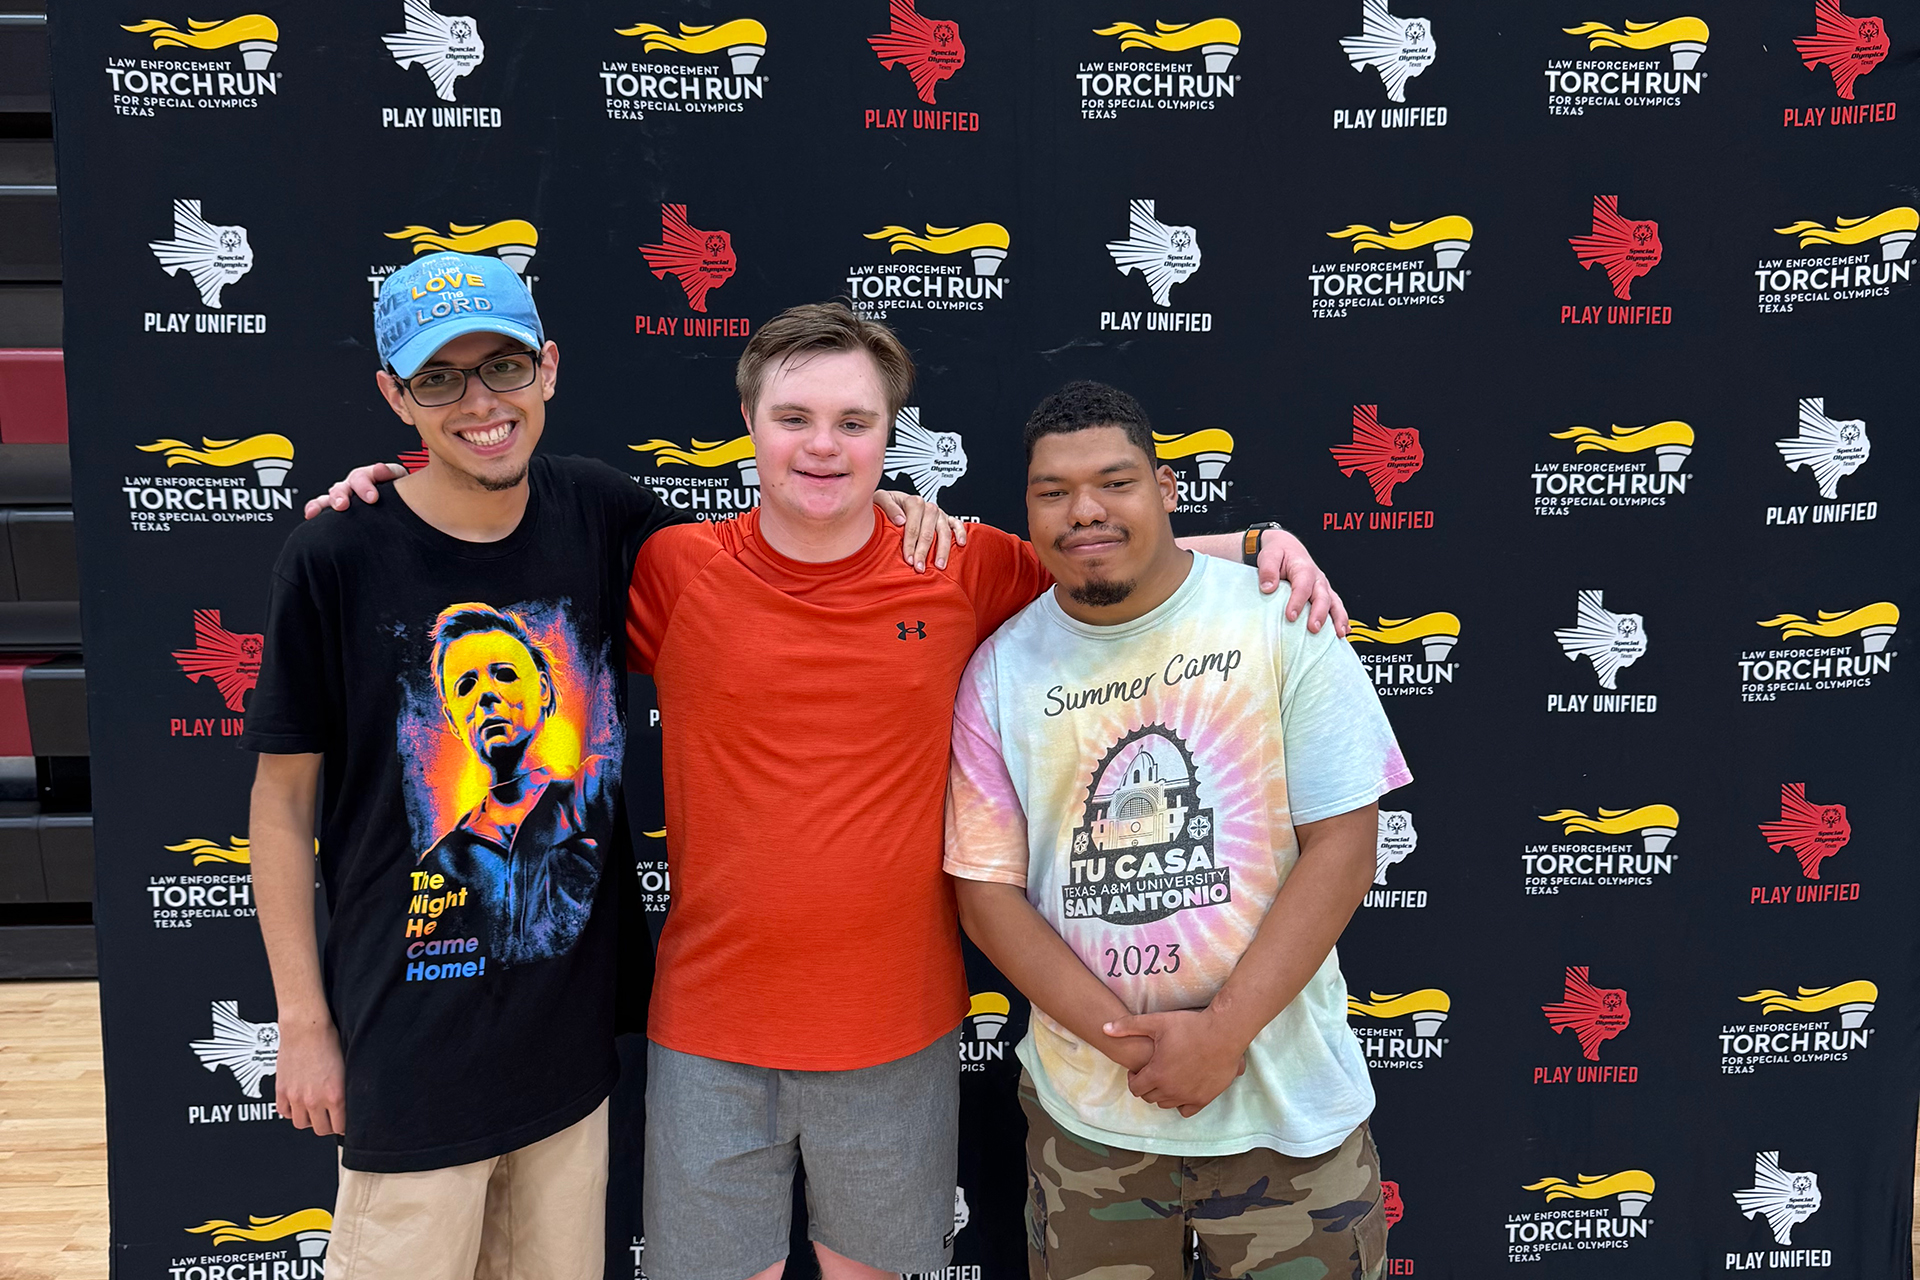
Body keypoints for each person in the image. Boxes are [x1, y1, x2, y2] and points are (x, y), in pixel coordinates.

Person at [313, 302, 1349, 1280]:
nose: (823, 445)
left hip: (897, 1029)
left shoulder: (956, 563)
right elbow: (494, 562)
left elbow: (1109, 565)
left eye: (854, 421)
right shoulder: (675, 568)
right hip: (709, 1030)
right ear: (749, 425)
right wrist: (395, 494)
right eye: (795, 417)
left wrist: (1254, 547)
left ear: (891, 434)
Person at [943, 381, 1409, 1280]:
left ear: (1165, 488)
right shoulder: (999, 671)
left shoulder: (1282, 619)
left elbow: (1346, 849)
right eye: (1053, 492)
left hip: (1290, 1118)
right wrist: (1135, 1044)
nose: (1086, 511)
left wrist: (1224, 1032)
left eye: (1115, 482)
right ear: (1029, 510)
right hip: (1090, 1126)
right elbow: (986, 896)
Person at [421, 602, 612, 966]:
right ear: (452, 719)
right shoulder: (444, 861)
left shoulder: (594, 792)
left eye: (504, 674)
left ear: (541, 688)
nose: (486, 695)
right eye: (466, 686)